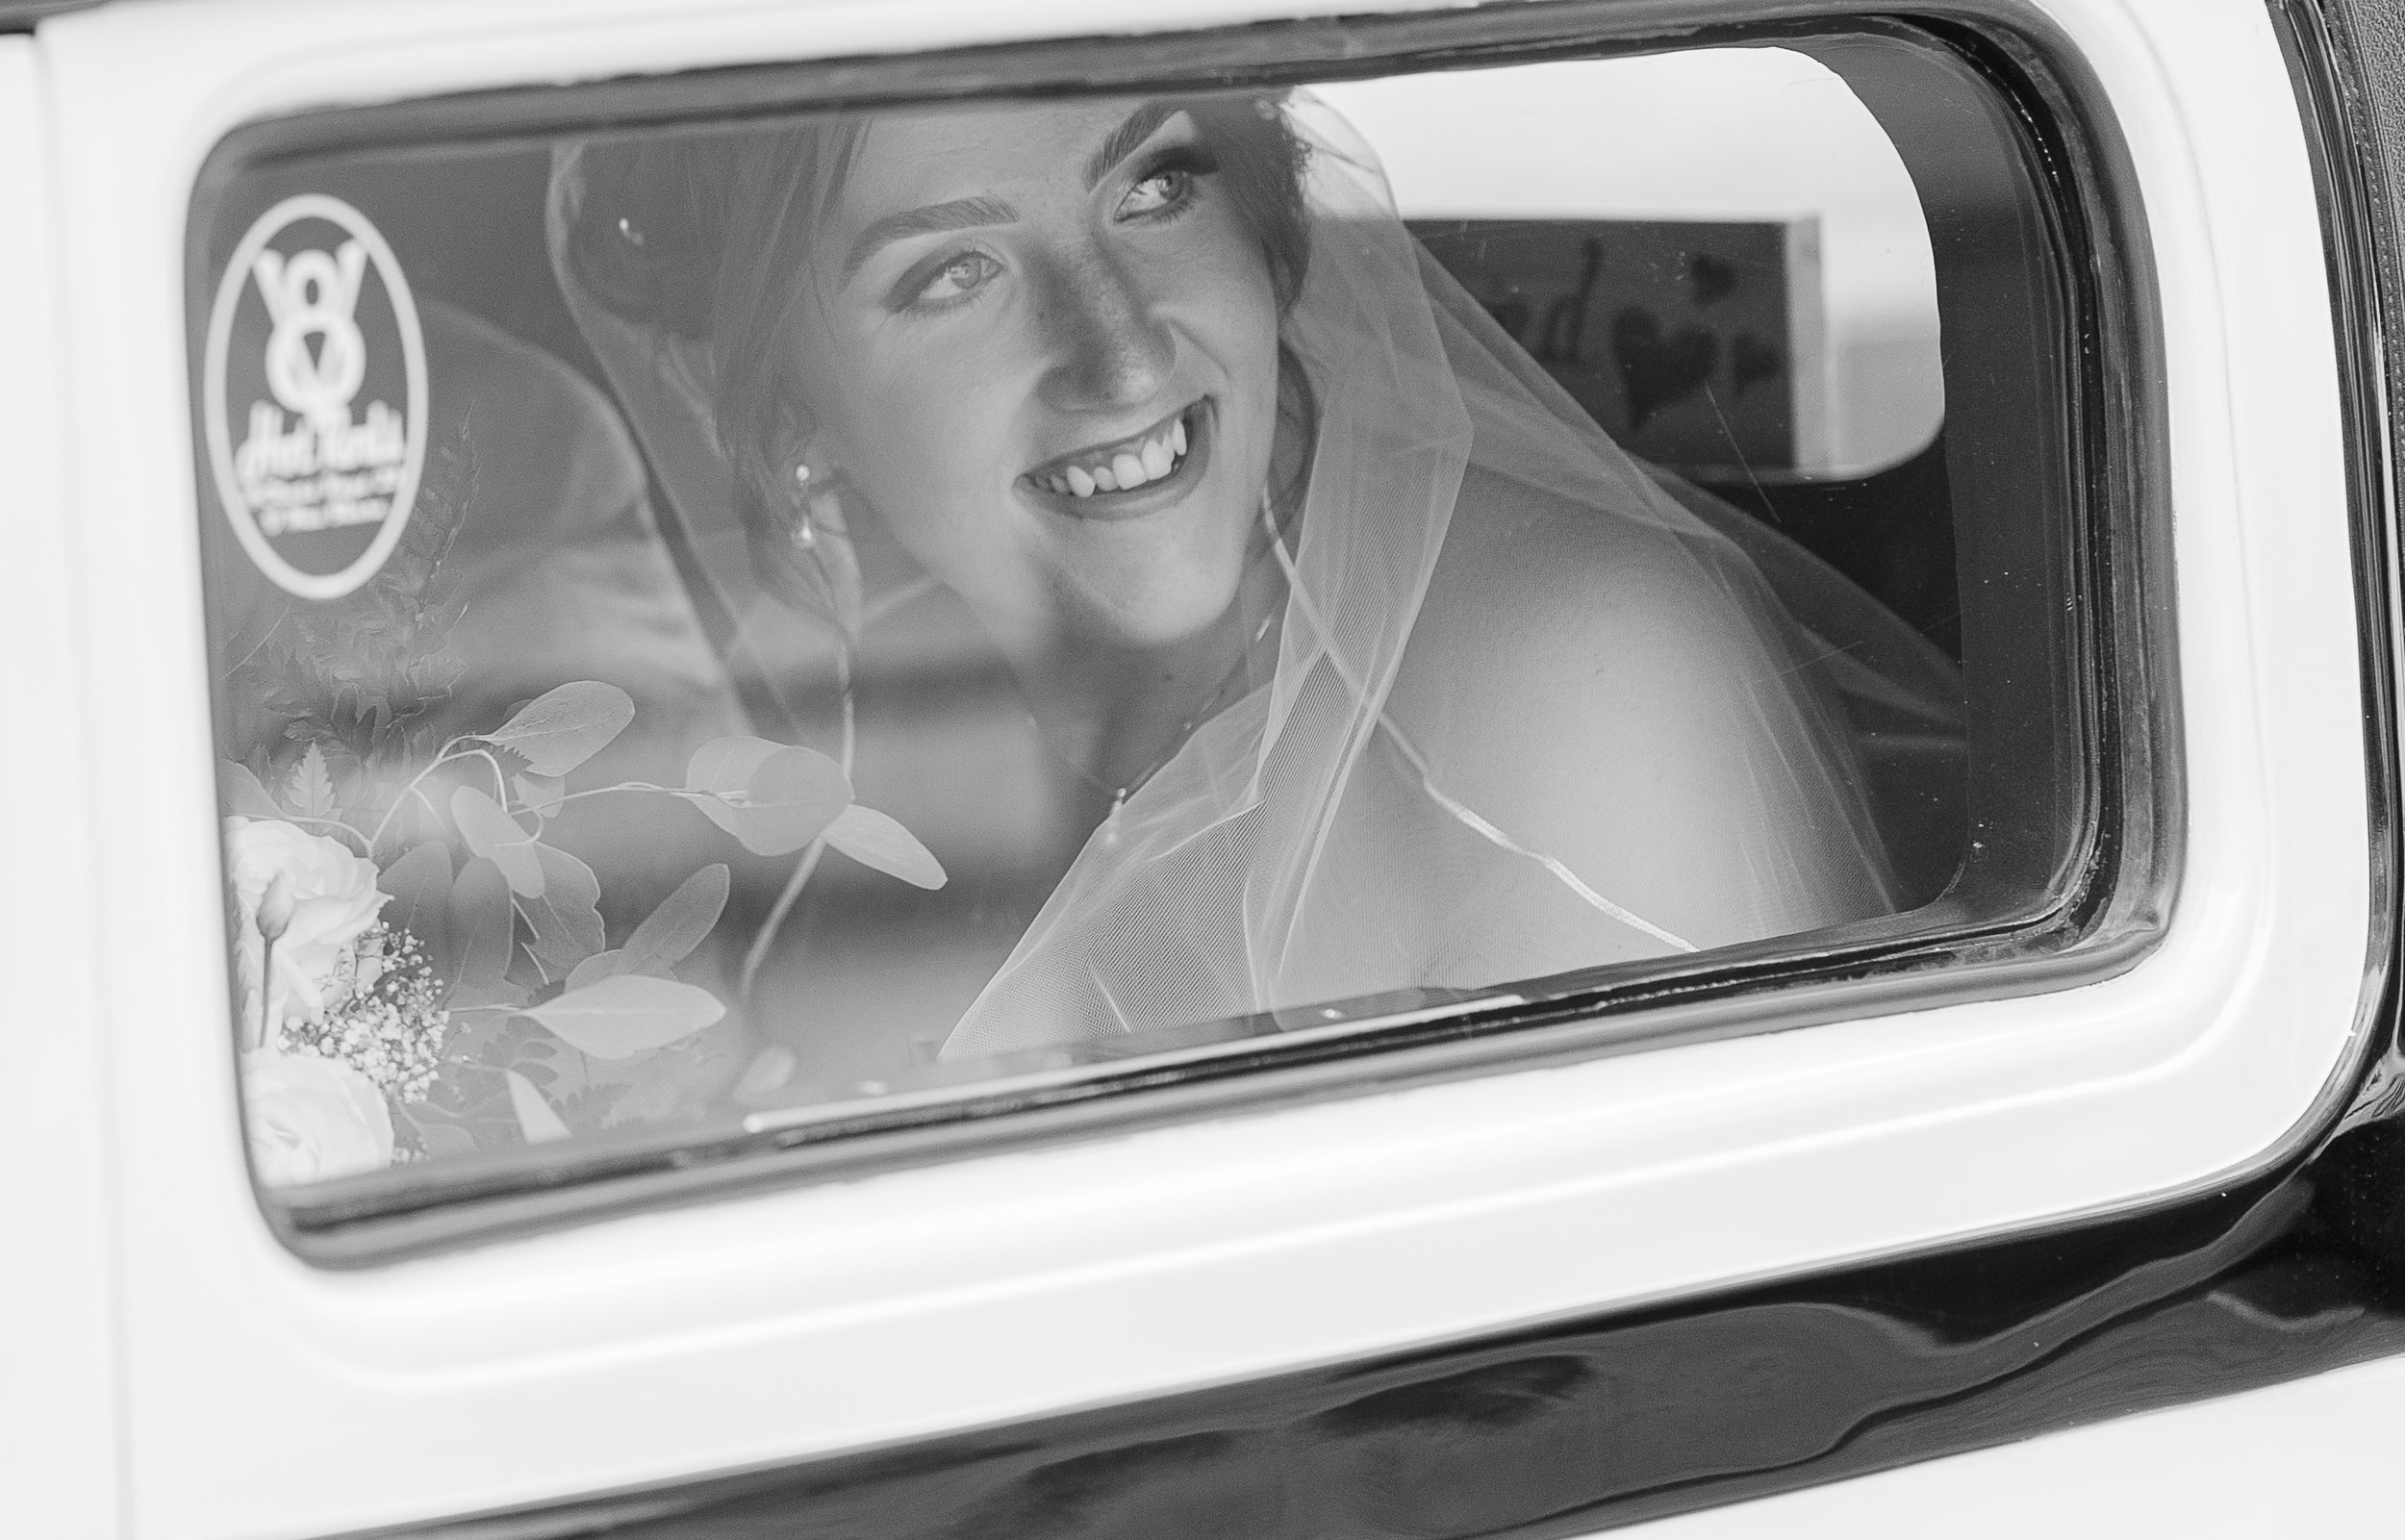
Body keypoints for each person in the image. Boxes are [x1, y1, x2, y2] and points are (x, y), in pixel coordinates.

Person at [552, 88, 1951, 1069]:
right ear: (793, 411)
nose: (1124, 359)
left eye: (1154, 189)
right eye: (955, 273)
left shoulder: (1582, 672)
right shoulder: (845, 730)